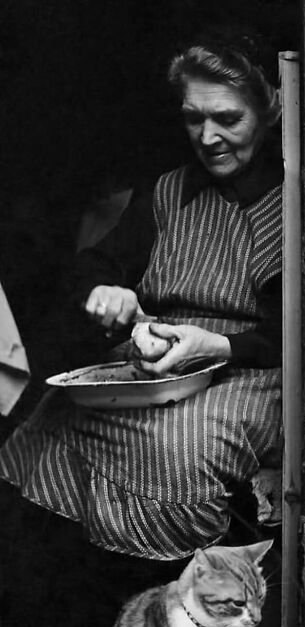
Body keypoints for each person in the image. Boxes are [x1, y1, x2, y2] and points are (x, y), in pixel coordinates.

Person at [0, 41, 284, 562]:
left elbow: (301, 335)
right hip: (159, 358)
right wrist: (108, 292)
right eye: (194, 118)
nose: (208, 137)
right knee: (54, 411)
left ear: (272, 110)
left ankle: (183, 589)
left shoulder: (300, 201)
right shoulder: (168, 191)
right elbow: (95, 263)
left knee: (175, 449)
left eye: (227, 119)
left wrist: (216, 343)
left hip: (254, 368)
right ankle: (89, 592)